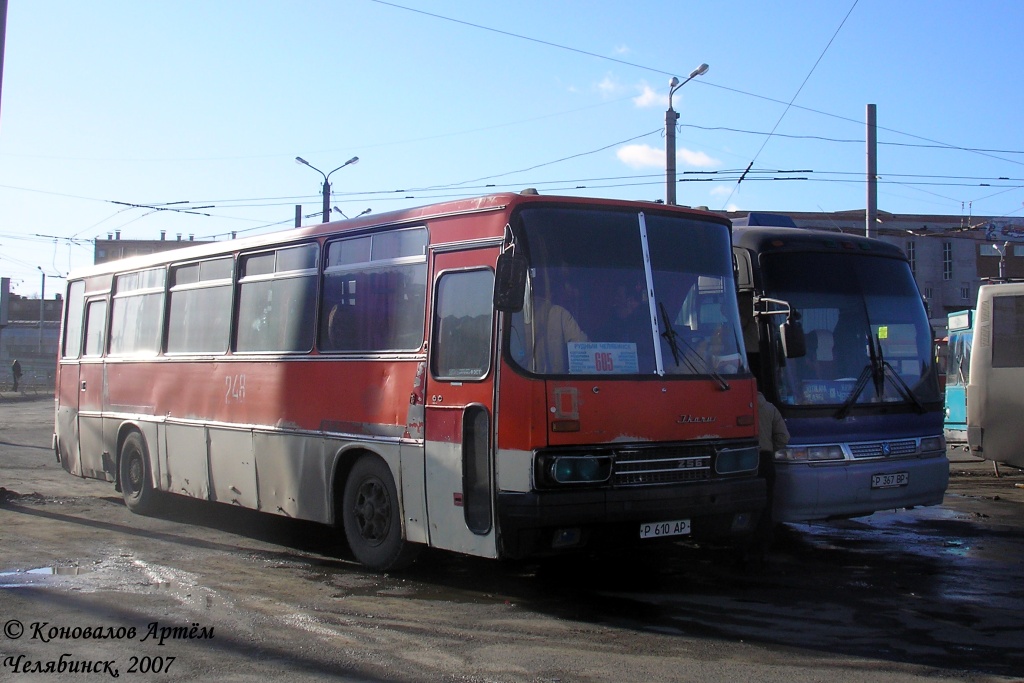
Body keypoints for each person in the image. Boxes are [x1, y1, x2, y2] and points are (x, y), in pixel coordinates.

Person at [755, 390, 790, 551]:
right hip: (765, 460)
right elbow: (784, 437)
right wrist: (769, 448)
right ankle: (764, 542)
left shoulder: (737, 406)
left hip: (741, 461)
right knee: (767, 503)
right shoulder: (769, 408)